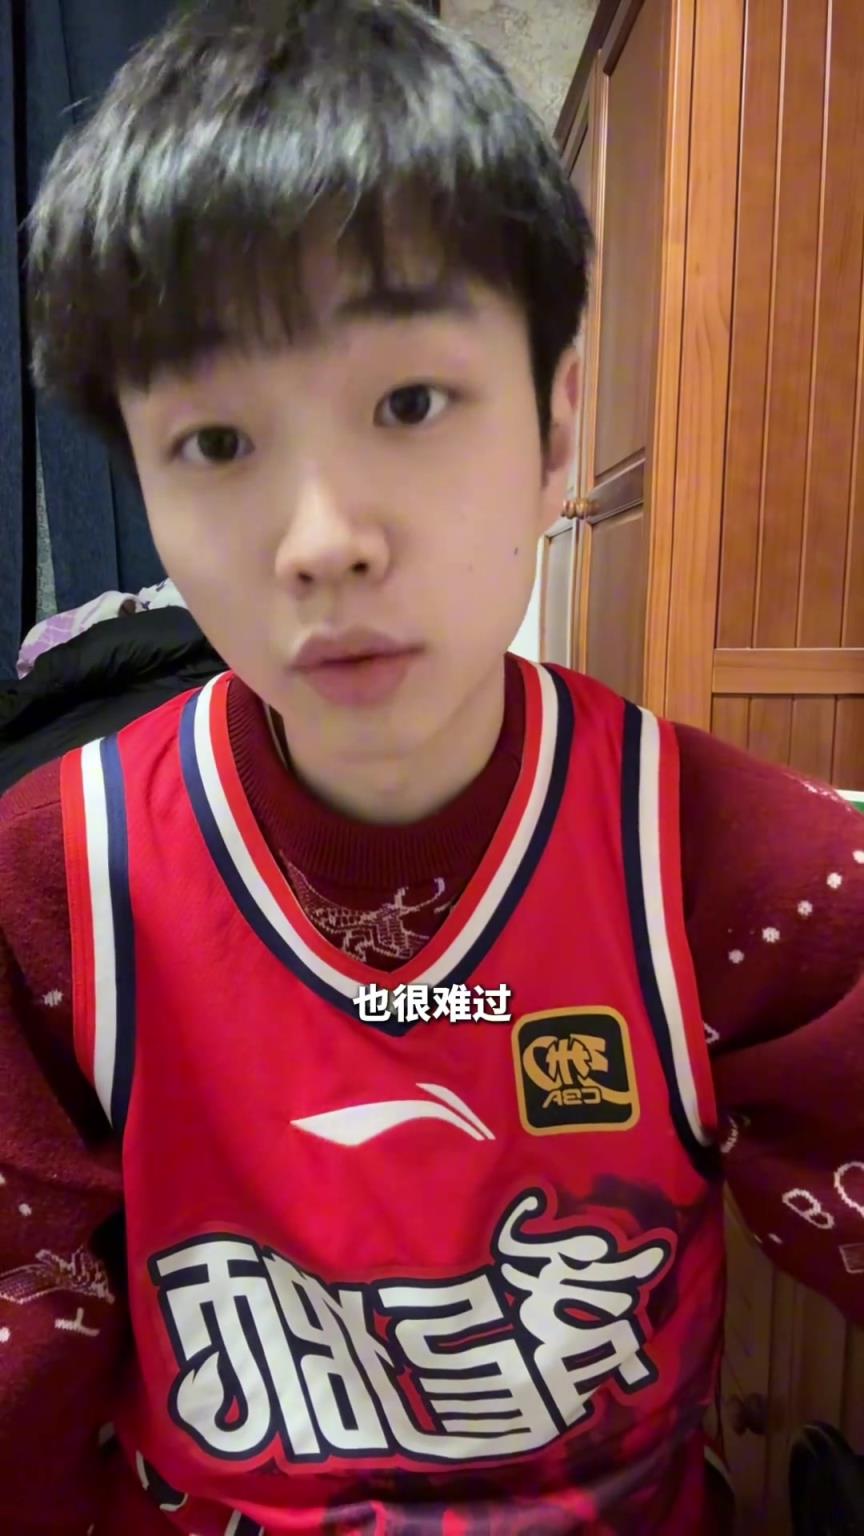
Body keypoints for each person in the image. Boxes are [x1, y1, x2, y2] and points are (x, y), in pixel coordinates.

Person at [2, 0, 862, 1530]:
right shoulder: (52, 889)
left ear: (554, 426)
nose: (323, 539)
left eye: (410, 403)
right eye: (215, 443)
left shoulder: (733, 869)